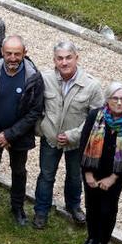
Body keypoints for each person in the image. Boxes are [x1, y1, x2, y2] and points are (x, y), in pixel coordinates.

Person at [0, 36, 45, 225]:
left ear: (25, 53)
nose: (13, 58)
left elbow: (34, 111)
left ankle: (17, 208)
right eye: (9, 53)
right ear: (2, 53)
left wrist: (9, 134)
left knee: (19, 171)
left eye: (17, 54)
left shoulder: (34, 77)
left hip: (18, 136)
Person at [32, 40, 104, 229]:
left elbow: (97, 119)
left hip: (77, 142)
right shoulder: (44, 78)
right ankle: (41, 210)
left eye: (68, 58)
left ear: (76, 58)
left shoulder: (92, 86)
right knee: (46, 175)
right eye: (60, 58)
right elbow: (35, 107)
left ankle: (73, 206)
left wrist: (74, 136)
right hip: (50, 139)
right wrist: (43, 129)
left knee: (74, 176)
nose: (64, 63)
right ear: (54, 60)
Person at [78, 82, 122, 244]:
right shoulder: (94, 116)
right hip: (92, 171)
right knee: (91, 206)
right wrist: (88, 173)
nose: (119, 102)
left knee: (107, 209)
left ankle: (103, 242)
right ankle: (91, 237)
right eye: (115, 98)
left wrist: (113, 178)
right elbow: (84, 144)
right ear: (107, 100)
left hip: (115, 174)